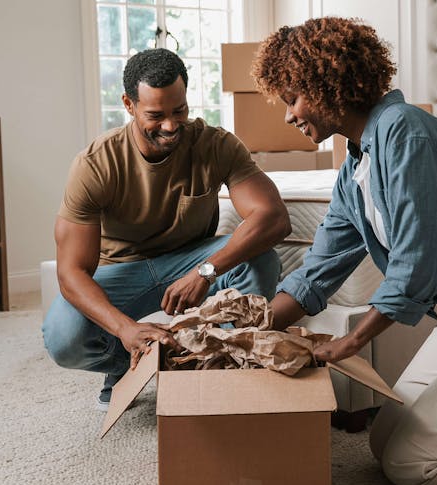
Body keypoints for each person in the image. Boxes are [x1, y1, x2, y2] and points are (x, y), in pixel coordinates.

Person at [251, 17, 437, 485]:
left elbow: (419, 263)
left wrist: (352, 343)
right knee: (384, 440)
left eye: (293, 97)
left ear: (328, 82)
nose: (288, 115)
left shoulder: (406, 132)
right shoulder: (355, 164)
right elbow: (318, 270)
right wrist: (247, 333)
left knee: (411, 463)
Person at [43, 48, 291, 411]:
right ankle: (128, 365)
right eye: (155, 115)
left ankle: (216, 362)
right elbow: (71, 272)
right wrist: (125, 329)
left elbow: (273, 218)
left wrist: (206, 272)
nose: (171, 125)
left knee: (260, 262)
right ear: (129, 104)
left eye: (179, 111)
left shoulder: (216, 144)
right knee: (63, 336)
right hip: (123, 273)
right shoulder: (95, 164)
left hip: (189, 262)